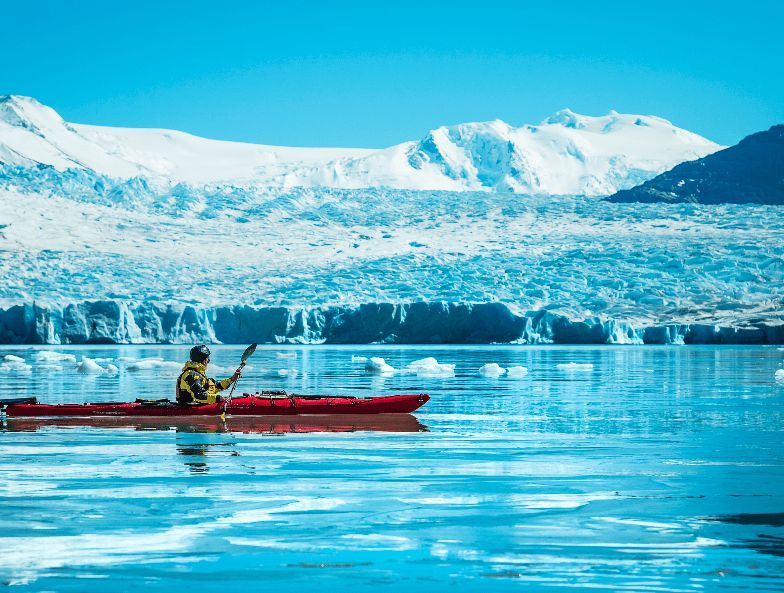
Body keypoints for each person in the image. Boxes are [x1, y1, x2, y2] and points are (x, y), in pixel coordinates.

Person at [176, 345, 241, 405]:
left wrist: (232, 379)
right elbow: (199, 395)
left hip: (196, 404)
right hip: (189, 408)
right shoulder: (191, 375)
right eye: (208, 359)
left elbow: (215, 387)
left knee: (211, 382)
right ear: (203, 360)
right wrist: (218, 398)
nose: (208, 361)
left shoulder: (198, 373)